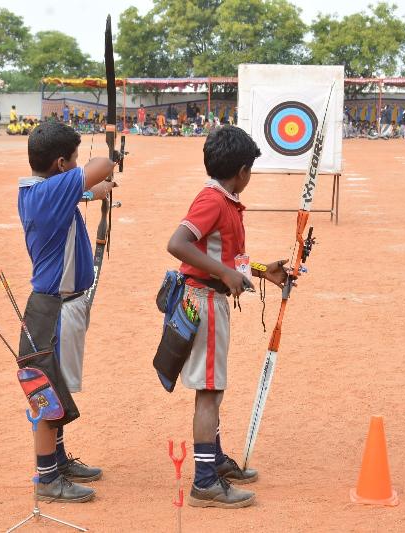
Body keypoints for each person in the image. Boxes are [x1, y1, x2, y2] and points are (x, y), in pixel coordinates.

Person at [165, 126, 289, 508]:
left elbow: (230, 259)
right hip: (204, 303)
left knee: (212, 387)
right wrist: (223, 275)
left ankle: (214, 460)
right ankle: (204, 480)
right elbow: (178, 244)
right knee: (209, 389)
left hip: (210, 300)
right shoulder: (213, 201)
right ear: (242, 171)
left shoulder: (226, 200)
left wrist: (265, 269)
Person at [17, 122, 119, 503]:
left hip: (56, 307)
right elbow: (102, 163)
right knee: (47, 395)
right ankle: (47, 479)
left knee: (56, 387)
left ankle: (58, 460)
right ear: (62, 164)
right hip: (51, 311)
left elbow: (84, 187)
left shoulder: (39, 190)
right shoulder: (49, 194)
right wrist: (111, 156)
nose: (78, 163)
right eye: (73, 159)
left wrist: (95, 192)